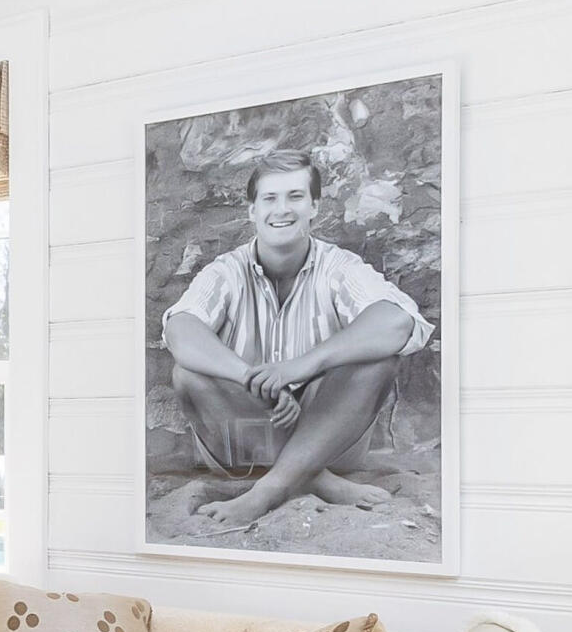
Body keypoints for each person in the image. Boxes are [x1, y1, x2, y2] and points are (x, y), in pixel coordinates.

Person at [161, 153, 431, 526]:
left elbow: (397, 321)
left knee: (379, 359)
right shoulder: (225, 271)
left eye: (295, 196)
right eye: (270, 198)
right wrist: (255, 381)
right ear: (252, 210)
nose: (282, 209)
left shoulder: (339, 266)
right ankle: (315, 479)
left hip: (332, 438)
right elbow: (180, 330)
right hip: (241, 445)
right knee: (187, 374)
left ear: (314, 206)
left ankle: (270, 490)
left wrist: (297, 368)